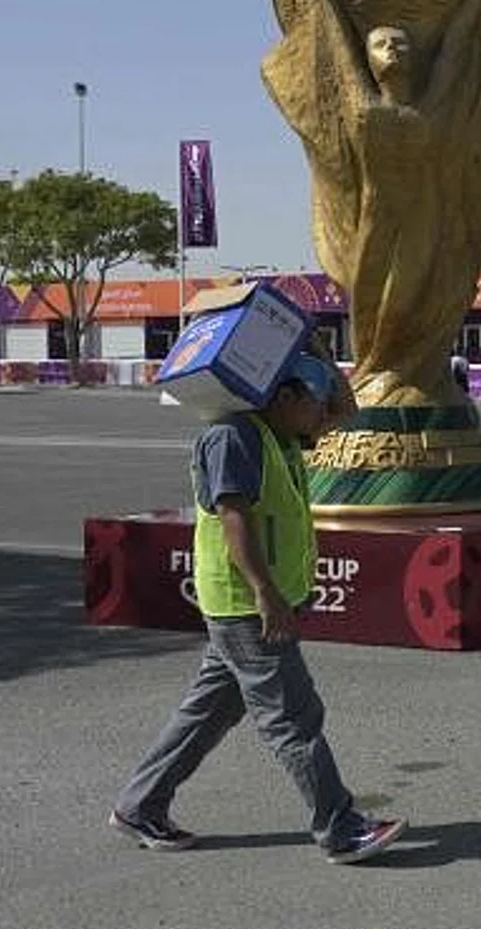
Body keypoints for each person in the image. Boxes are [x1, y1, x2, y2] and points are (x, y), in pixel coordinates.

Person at [109, 353, 407, 864]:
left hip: (254, 602)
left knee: (208, 713)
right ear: (284, 398)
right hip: (246, 604)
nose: (322, 414)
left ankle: (140, 806)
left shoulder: (280, 434)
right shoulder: (233, 438)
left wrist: (315, 352)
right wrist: (266, 595)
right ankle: (339, 827)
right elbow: (233, 520)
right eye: (312, 403)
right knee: (294, 715)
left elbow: (347, 411)